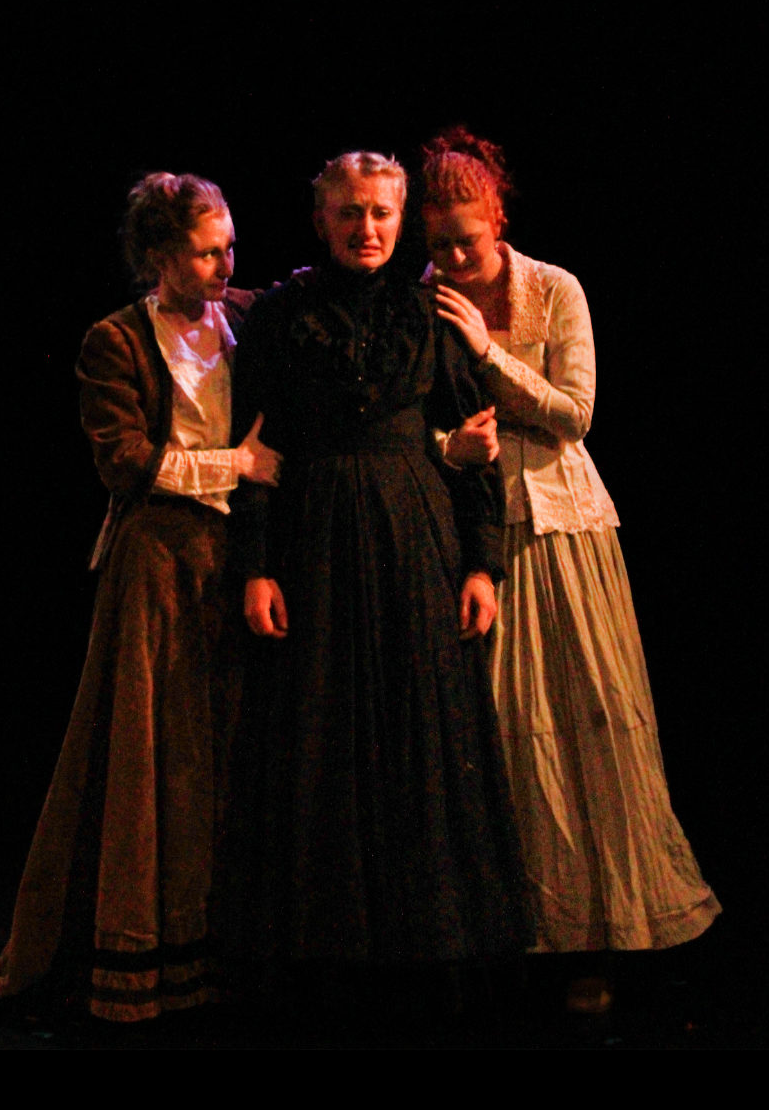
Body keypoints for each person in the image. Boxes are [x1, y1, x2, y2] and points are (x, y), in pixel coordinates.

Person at [0, 171, 281, 1026]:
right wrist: (237, 463)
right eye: (205, 248)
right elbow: (125, 461)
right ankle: (131, 960)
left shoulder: (252, 317)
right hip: (155, 561)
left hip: (240, 559)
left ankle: (223, 953)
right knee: (146, 758)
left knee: (224, 755)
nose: (226, 260)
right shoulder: (115, 340)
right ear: (159, 255)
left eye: (230, 242)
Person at [222, 151, 530, 1012]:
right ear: (322, 219)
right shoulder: (283, 315)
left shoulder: (430, 311)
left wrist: (481, 562)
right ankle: (323, 956)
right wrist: (255, 568)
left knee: (421, 732)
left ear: (403, 222)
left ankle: (428, 951)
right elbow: (254, 449)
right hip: (314, 538)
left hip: (414, 536)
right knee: (319, 736)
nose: (367, 229)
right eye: (351, 214)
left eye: (383, 215)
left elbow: (475, 445)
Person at [419, 127, 720, 1004]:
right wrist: (449, 444)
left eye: (465, 237)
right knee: (499, 735)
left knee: (587, 725)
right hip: (473, 533)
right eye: (437, 242)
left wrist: (484, 351)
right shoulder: (422, 298)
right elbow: (411, 429)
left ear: (498, 215)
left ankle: (596, 932)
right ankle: (512, 929)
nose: (452, 254)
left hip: (563, 529)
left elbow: (573, 413)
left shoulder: (552, 288)